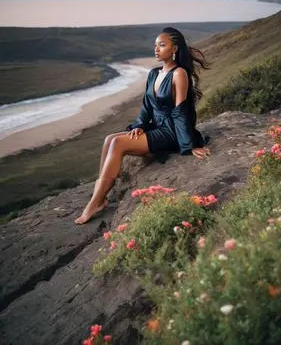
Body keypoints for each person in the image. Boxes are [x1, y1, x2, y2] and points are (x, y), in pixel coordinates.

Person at [75, 27, 210, 225]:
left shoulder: (179, 74)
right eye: (155, 45)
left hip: (171, 131)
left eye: (162, 45)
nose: (156, 49)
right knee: (109, 139)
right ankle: (100, 196)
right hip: (155, 127)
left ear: (174, 49)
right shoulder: (154, 73)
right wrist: (138, 126)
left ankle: (95, 202)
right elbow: (147, 106)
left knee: (118, 144)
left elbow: (181, 111)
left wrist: (188, 145)